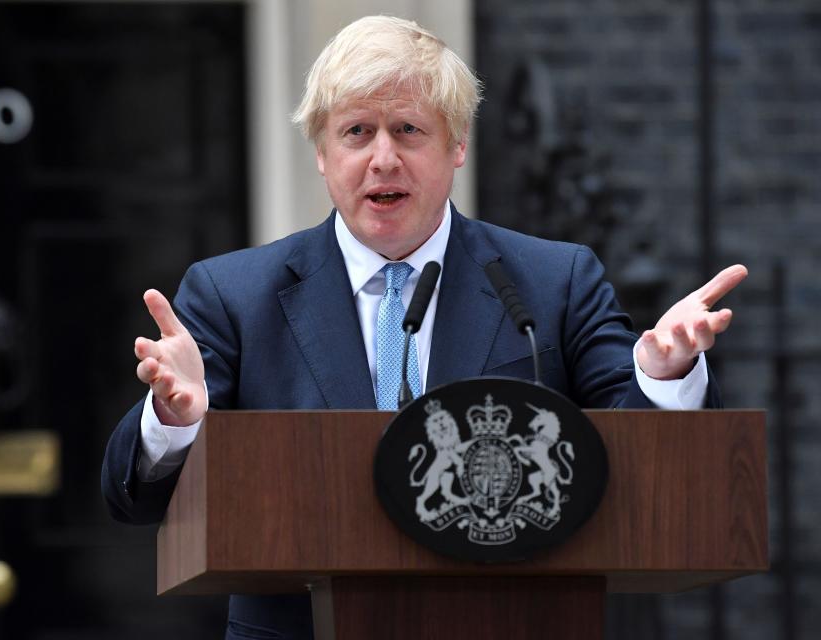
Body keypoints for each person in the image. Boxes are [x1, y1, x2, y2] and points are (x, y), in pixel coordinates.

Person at [101, 15, 747, 640]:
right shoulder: (233, 294)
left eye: (408, 129)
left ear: (457, 144)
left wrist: (667, 378)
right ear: (323, 154)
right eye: (357, 132)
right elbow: (136, 501)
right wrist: (178, 423)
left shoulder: (554, 282)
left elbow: (643, 469)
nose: (383, 158)